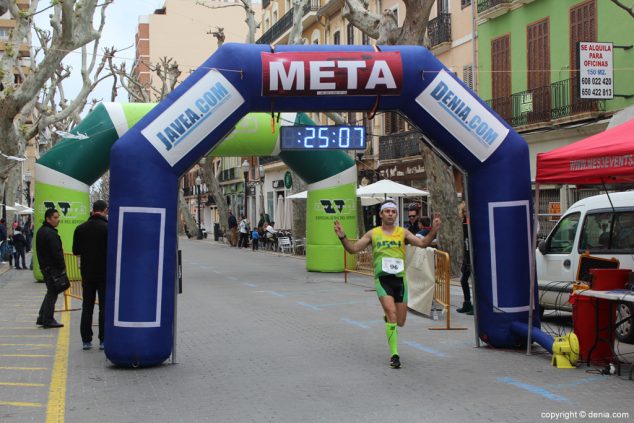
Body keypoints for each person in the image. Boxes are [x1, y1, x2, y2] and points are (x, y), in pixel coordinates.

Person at [334, 200, 442, 369]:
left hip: (400, 280)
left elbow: (422, 244)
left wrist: (434, 230)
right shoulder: (373, 233)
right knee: (391, 314)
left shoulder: (403, 232)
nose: (390, 214)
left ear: (396, 214)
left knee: (400, 322)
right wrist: (342, 237)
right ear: (381, 215)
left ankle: (389, 320)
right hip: (382, 279)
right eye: (387, 211)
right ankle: (395, 355)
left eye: (393, 211)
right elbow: (353, 249)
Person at [73, 200, 108, 350]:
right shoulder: (108, 228)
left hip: (87, 273)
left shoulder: (80, 228)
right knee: (104, 307)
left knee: (87, 306)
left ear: (93, 210)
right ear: (104, 210)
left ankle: (86, 340)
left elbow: (75, 251)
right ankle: (103, 340)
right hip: (104, 272)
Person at [36, 208, 65, 329]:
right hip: (52, 268)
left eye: (58, 217)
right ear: (48, 219)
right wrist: (62, 267)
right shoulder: (50, 233)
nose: (57, 220)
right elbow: (56, 252)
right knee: (53, 292)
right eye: (55, 217)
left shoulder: (42, 231)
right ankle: (48, 319)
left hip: (45, 267)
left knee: (51, 292)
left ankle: (42, 317)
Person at [456, 202, 473, 315]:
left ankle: (474, 306)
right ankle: (467, 303)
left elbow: (469, 242)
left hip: (471, 256)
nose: (466, 213)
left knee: (474, 282)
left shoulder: (470, 223)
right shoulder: (465, 223)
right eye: (464, 211)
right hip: (467, 256)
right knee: (463, 280)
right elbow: (466, 242)